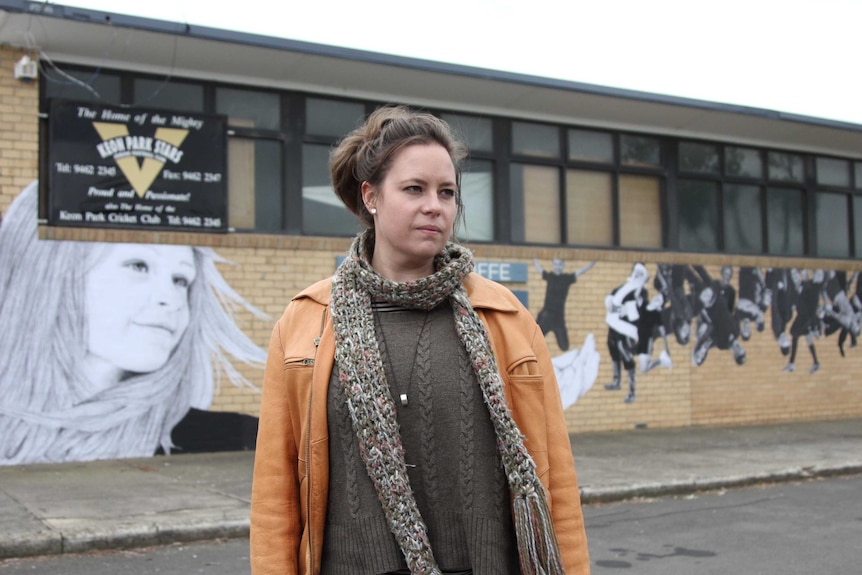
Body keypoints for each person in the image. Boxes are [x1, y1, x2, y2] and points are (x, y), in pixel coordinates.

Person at [250, 106, 589, 575]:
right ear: (370, 196)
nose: (435, 205)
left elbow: (558, 486)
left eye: (447, 192)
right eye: (415, 189)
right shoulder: (307, 322)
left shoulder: (506, 319)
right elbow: (275, 495)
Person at [0, 182, 267, 465]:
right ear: (51, 272)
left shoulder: (220, 438)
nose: (172, 300)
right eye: (139, 266)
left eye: (180, 281)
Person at [533, 257, 595, 351]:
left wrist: (591, 263)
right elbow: (539, 269)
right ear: (553, 266)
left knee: (564, 346)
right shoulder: (550, 276)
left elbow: (580, 272)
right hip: (546, 315)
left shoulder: (566, 278)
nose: (557, 267)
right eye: (555, 264)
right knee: (533, 340)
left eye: (560, 264)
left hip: (559, 318)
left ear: (563, 266)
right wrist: (534, 258)